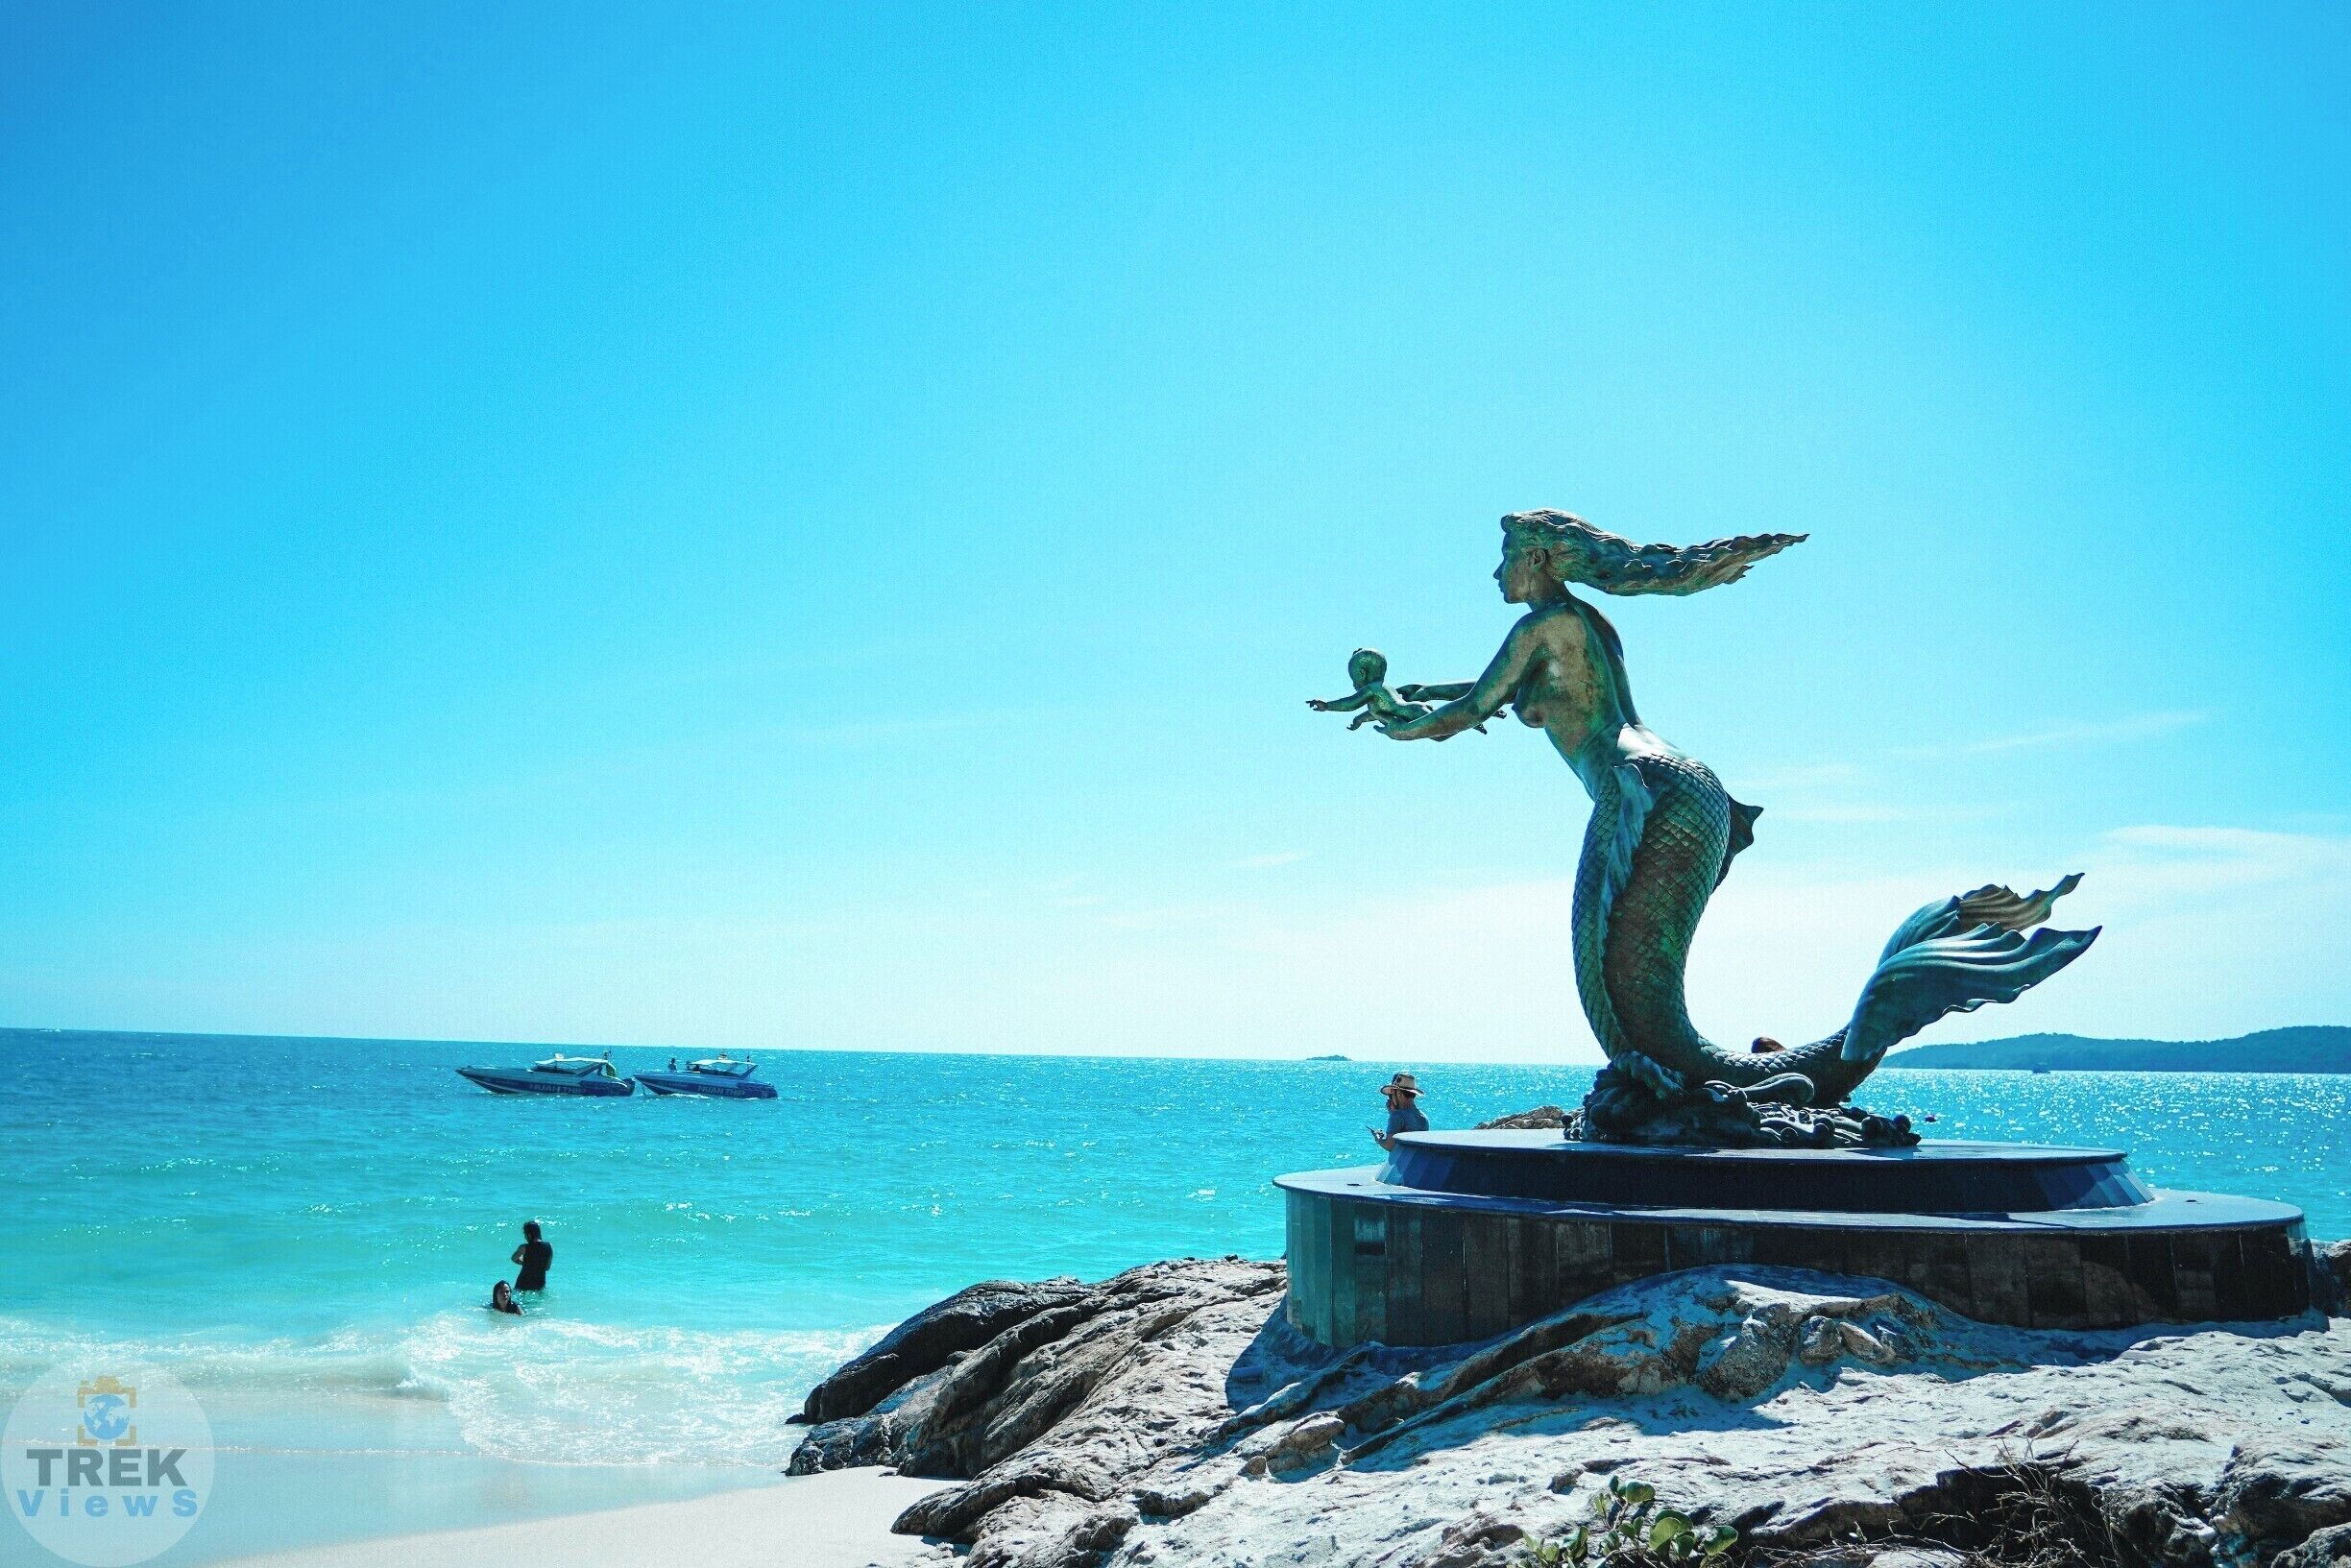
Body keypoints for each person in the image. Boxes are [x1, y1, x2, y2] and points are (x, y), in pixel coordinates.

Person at [1369, 1072, 1430, 1151]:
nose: (1390, 1098)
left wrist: (1378, 1137)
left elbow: (1389, 1145)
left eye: (1391, 1094)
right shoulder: (1423, 1117)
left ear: (1399, 1094)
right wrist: (1392, 1113)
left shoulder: (1397, 1116)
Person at [511, 1220, 552, 1292]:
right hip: (540, 1283)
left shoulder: (524, 1247)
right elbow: (547, 1267)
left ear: (529, 1234)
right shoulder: (549, 1246)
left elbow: (514, 1258)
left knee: (519, 1302)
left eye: (525, 1234)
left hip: (523, 1282)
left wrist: (526, 1263)